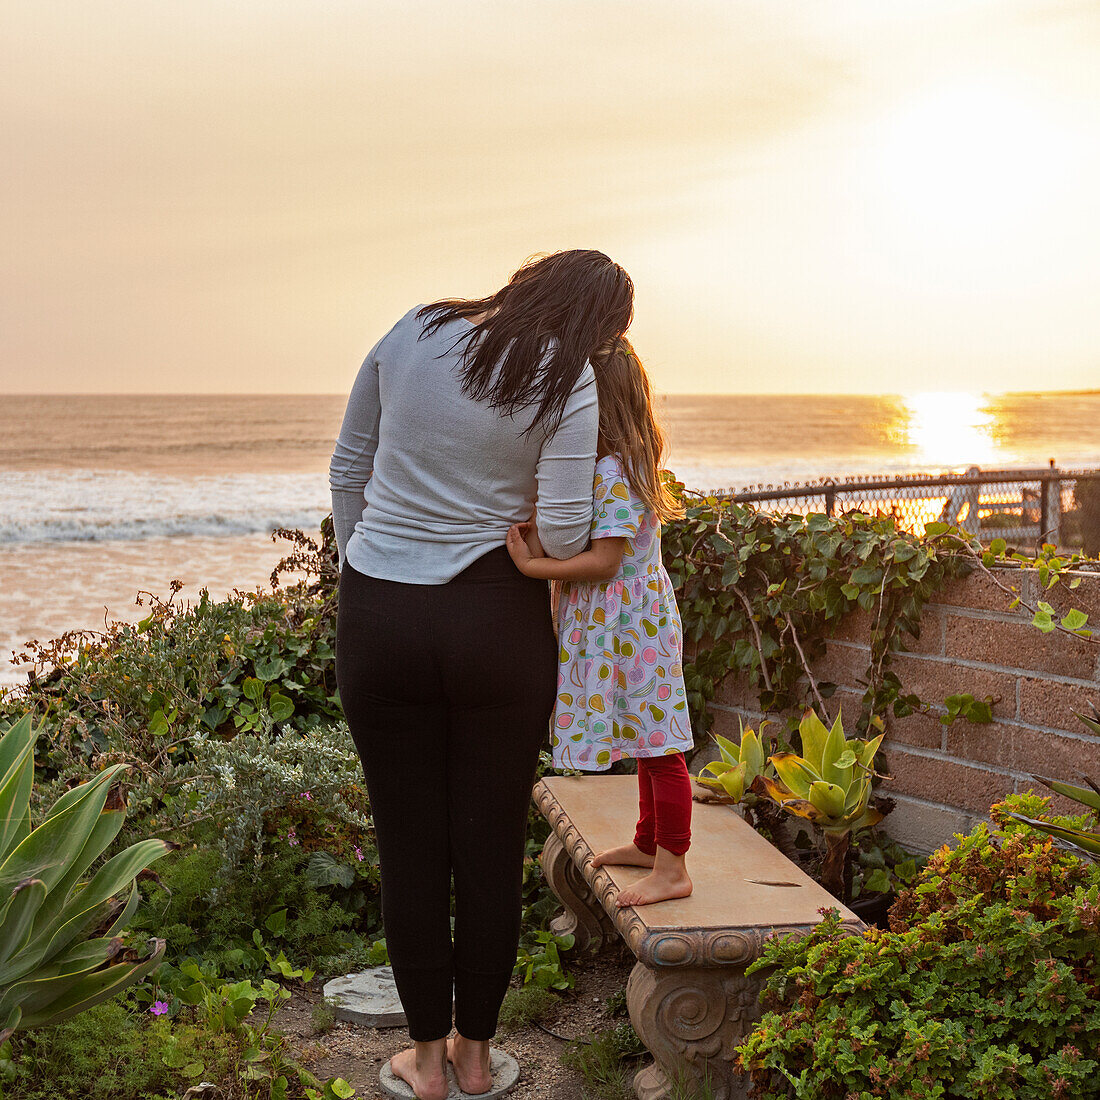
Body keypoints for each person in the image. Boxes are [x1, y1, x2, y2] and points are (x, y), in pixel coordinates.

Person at [330, 250, 633, 1100]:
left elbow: (349, 469)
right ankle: (473, 1056)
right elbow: (570, 534)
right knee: (490, 845)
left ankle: (422, 1063)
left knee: (409, 845)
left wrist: (370, 564)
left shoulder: (415, 326)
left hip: (382, 615)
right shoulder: (565, 378)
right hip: (496, 621)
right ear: (592, 323)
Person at [505, 337, 694, 908]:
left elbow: (607, 559)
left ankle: (674, 868)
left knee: (662, 749)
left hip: (631, 627)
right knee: (644, 737)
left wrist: (534, 566)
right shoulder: (626, 462)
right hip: (633, 622)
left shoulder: (614, 469)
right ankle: (647, 844)